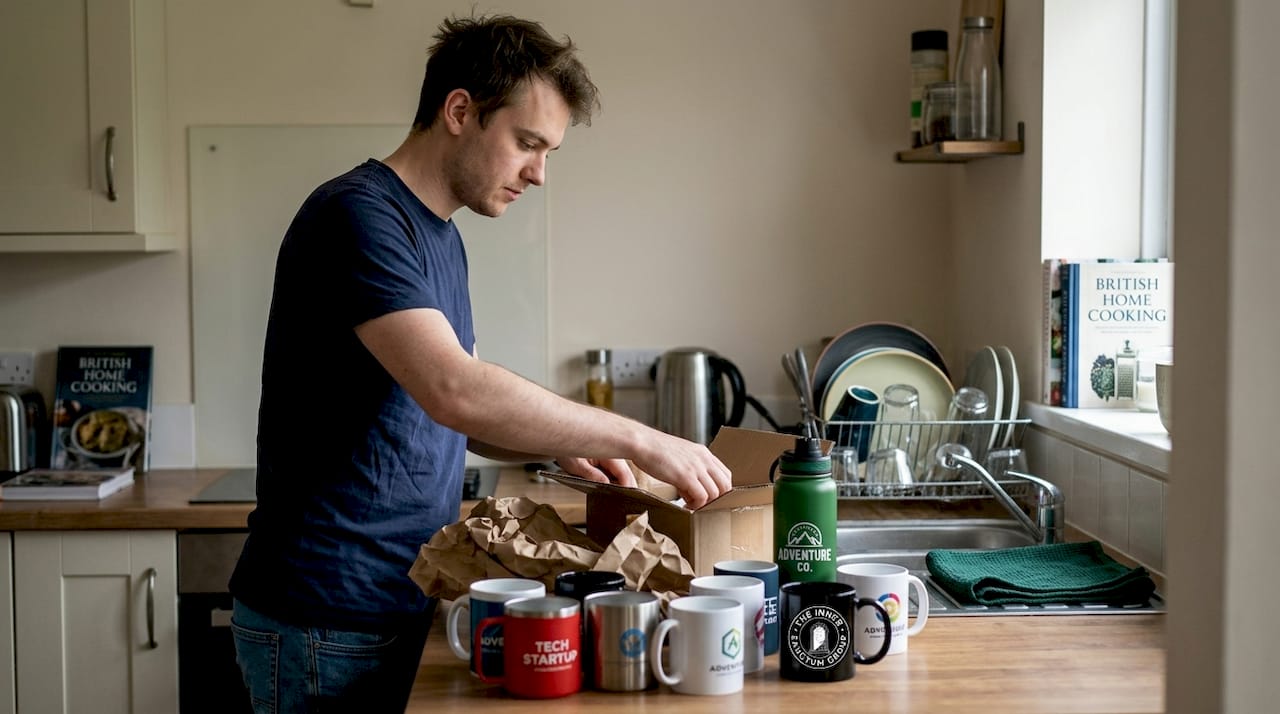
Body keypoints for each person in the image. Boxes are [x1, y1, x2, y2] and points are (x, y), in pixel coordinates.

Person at [228, 13, 732, 713]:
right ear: (460, 110)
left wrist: (571, 441)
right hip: (328, 617)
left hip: (392, 601)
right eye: (528, 143)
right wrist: (637, 435)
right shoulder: (357, 216)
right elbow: (454, 392)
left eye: (549, 150)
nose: (540, 173)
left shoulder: (439, 236)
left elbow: (461, 414)